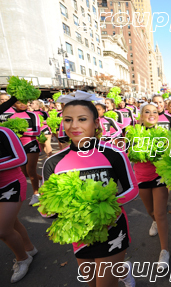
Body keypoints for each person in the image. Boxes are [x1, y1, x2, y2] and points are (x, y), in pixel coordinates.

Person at [42, 95, 138, 287]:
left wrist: (99, 208)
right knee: (91, 283)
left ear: (95, 123)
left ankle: (120, 270)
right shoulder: (53, 163)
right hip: (79, 235)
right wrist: (58, 211)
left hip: (112, 228)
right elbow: (47, 208)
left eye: (82, 119)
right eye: (68, 120)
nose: (74, 125)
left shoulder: (114, 154)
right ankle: (123, 271)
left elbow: (132, 189)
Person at [0, 99, 38, 283]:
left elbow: (20, 157)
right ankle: (29, 248)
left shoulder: (4, 132)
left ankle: (23, 258)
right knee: (11, 223)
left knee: (2, 229)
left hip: (10, 184)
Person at [133, 102, 170, 271]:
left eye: (154, 112)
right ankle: (153, 221)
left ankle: (164, 251)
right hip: (142, 177)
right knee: (151, 211)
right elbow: (129, 154)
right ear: (141, 116)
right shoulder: (132, 133)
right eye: (147, 112)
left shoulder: (163, 133)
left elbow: (170, 154)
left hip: (159, 176)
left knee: (161, 213)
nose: (151, 114)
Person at [6, 101, 41, 206]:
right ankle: (43, 178)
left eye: (24, 102)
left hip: (31, 144)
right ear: (13, 104)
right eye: (18, 103)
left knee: (30, 171)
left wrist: (22, 131)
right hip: (18, 147)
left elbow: (37, 132)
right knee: (25, 173)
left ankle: (36, 194)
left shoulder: (32, 115)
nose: (22, 104)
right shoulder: (11, 116)